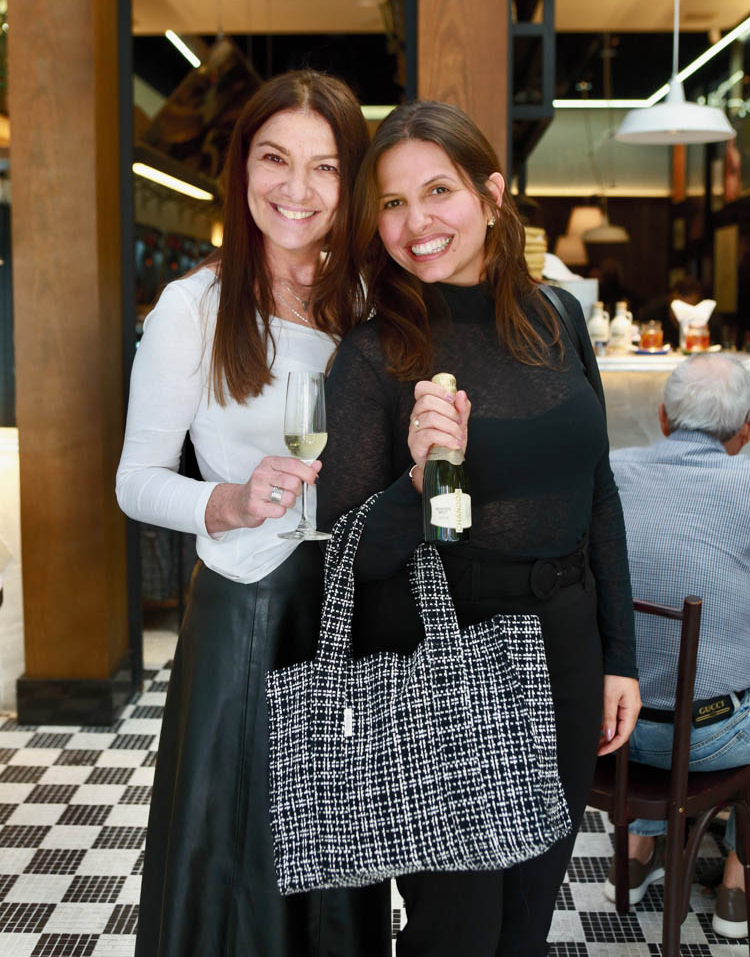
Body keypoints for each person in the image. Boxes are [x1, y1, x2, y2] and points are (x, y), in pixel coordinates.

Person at [317, 100, 641, 957]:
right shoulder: (373, 355)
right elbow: (348, 553)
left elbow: (599, 493)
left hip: (565, 643)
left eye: (439, 191)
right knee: (456, 933)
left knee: (528, 920)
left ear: (492, 195)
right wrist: (418, 480)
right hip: (439, 650)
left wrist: (620, 656)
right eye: (392, 203)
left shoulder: (559, 317)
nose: (416, 222)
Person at [116, 70, 391, 957]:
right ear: (242, 169)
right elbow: (135, 481)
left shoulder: (372, 305)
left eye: (325, 167)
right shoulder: (193, 308)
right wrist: (228, 501)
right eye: (275, 159)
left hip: (352, 614)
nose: (296, 189)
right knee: (243, 868)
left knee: (336, 866)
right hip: (250, 612)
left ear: (352, 182)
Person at [605, 352, 750, 938]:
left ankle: (637, 852)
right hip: (711, 739)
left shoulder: (611, 471)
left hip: (610, 728)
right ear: (745, 430)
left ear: (663, 418)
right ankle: (737, 887)